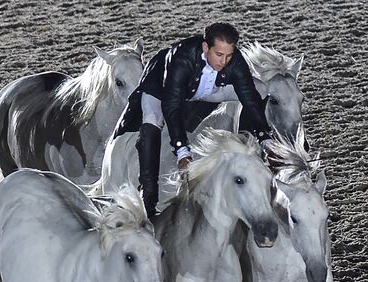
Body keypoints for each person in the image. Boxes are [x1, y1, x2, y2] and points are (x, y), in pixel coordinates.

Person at [113, 22, 272, 218]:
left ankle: (246, 150)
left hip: (207, 88)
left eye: (229, 55)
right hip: (161, 88)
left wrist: (266, 139)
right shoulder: (181, 58)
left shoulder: (235, 62)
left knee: (261, 89)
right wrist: (182, 151)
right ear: (206, 47)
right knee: (152, 119)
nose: (224, 62)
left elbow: (250, 98)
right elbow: (172, 106)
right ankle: (148, 198)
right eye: (219, 55)